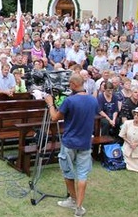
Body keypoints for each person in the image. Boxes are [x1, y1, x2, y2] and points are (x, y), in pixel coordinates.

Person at [45, 73, 100, 217]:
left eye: (69, 84)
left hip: (69, 142)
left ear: (74, 85)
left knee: (68, 171)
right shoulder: (93, 100)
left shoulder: (70, 101)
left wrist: (50, 103)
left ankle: (74, 199)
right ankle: (78, 207)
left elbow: (54, 118)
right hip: (85, 142)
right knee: (82, 175)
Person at [119, 107, 138, 172]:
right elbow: (122, 135)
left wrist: (137, 144)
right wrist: (130, 143)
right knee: (126, 162)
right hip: (127, 148)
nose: (136, 116)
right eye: (135, 114)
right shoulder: (127, 123)